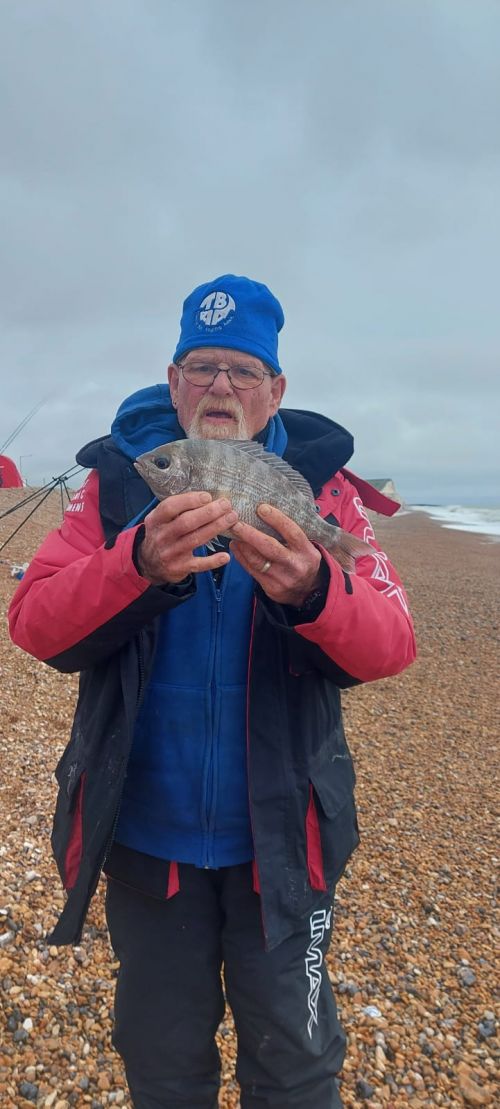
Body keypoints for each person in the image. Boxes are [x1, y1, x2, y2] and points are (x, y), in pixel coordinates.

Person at [9, 275, 416, 1109]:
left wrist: (314, 593)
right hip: (147, 846)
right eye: (201, 367)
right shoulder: (119, 488)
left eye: (241, 369)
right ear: (173, 381)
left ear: (275, 390)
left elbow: (393, 640)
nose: (220, 386)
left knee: (297, 1067)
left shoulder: (326, 491)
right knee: (161, 1064)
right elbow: (34, 619)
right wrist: (134, 564)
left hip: (284, 852)